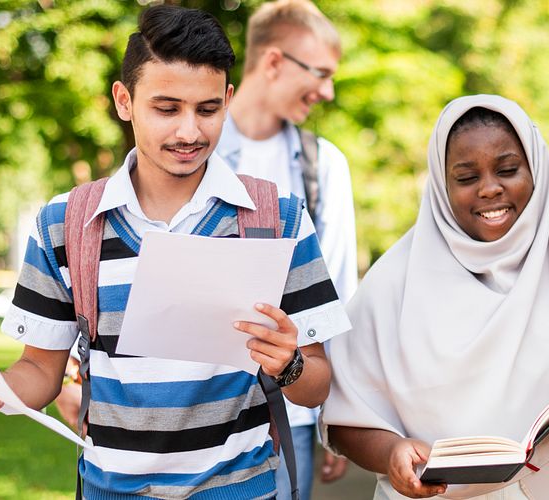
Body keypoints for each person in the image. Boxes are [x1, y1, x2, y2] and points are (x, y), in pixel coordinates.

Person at [0, 5, 351, 498]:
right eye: (166, 109)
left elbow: (317, 383)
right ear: (124, 100)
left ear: (228, 99)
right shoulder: (66, 223)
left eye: (207, 110)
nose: (189, 132)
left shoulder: (278, 217)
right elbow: (40, 370)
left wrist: (288, 363)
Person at [320, 95, 549, 499]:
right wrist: (391, 454)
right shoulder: (392, 284)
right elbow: (345, 417)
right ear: (441, 184)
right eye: (466, 178)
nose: (490, 189)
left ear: (536, 170)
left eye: (507, 170)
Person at [214, 0, 356, 496]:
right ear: (273, 62)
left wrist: (335, 420)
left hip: (289, 417)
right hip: (194, 412)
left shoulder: (324, 167)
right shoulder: (193, 146)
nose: (328, 91)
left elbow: (338, 296)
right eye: (319, 72)